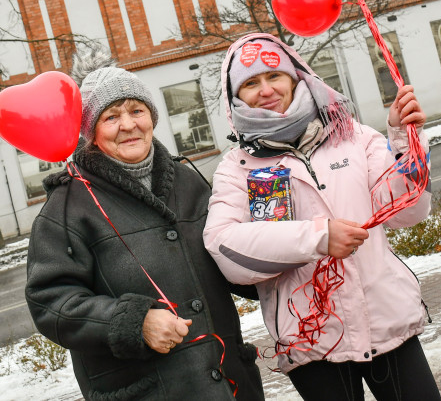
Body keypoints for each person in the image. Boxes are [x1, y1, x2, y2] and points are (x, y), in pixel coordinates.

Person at [204, 33, 441, 401]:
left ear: (295, 78)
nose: (265, 90)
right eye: (250, 83)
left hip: (386, 321)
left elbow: (410, 210)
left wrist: (404, 140)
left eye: (274, 76)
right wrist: (318, 238)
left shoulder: (354, 137)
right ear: (235, 97)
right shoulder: (237, 169)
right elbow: (225, 249)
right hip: (313, 343)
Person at [25, 57, 265, 401]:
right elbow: (50, 302)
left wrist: (272, 249)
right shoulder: (66, 207)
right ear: (91, 132)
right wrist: (132, 322)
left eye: (137, 111)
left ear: (151, 117)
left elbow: (229, 260)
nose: (128, 125)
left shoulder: (189, 182)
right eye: (111, 117)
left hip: (230, 385)